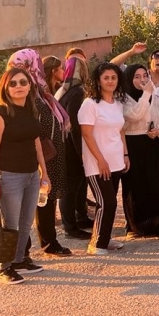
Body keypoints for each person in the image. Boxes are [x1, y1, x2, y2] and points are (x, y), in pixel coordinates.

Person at [0, 67, 49, 284]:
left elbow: (36, 143)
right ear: (5, 87)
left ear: (30, 85)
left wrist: (44, 173)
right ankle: (5, 267)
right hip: (10, 176)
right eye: (13, 83)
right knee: (11, 224)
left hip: (31, 174)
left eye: (23, 82)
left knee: (25, 223)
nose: (18, 87)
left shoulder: (32, 110)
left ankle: (20, 259)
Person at [7, 49, 72, 257]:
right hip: (39, 154)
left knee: (47, 198)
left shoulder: (40, 91)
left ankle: (47, 241)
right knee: (36, 201)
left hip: (51, 153)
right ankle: (35, 247)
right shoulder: (24, 93)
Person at [78, 63, 129, 255]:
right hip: (98, 163)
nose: (110, 81)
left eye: (113, 78)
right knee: (106, 202)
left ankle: (105, 239)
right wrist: (100, 160)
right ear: (98, 80)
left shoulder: (117, 103)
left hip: (116, 160)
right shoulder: (89, 104)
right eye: (106, 77)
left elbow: (121, 130)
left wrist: (125, 154)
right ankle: (97, 243)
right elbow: (87, 134)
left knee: (111, 202)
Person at [120, 64, 159, 239]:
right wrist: (147, 93)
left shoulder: (151, 95)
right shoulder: (123, 98)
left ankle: (155, 225)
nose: (142, 80)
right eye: (137, 76)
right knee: (134, 186)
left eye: (144, 76)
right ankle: (135, 226)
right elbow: (134, 115)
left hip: (150, 144)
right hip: (132, 144)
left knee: (154, 183)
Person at [56, 56, 94, 239]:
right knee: (72, 187)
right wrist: (82, 153)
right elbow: (75, 126)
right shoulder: (78, 92)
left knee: (77, 186)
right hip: (72, 148)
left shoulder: (64, 91)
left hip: (65, 145)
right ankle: (70, 226)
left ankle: (81, 218)